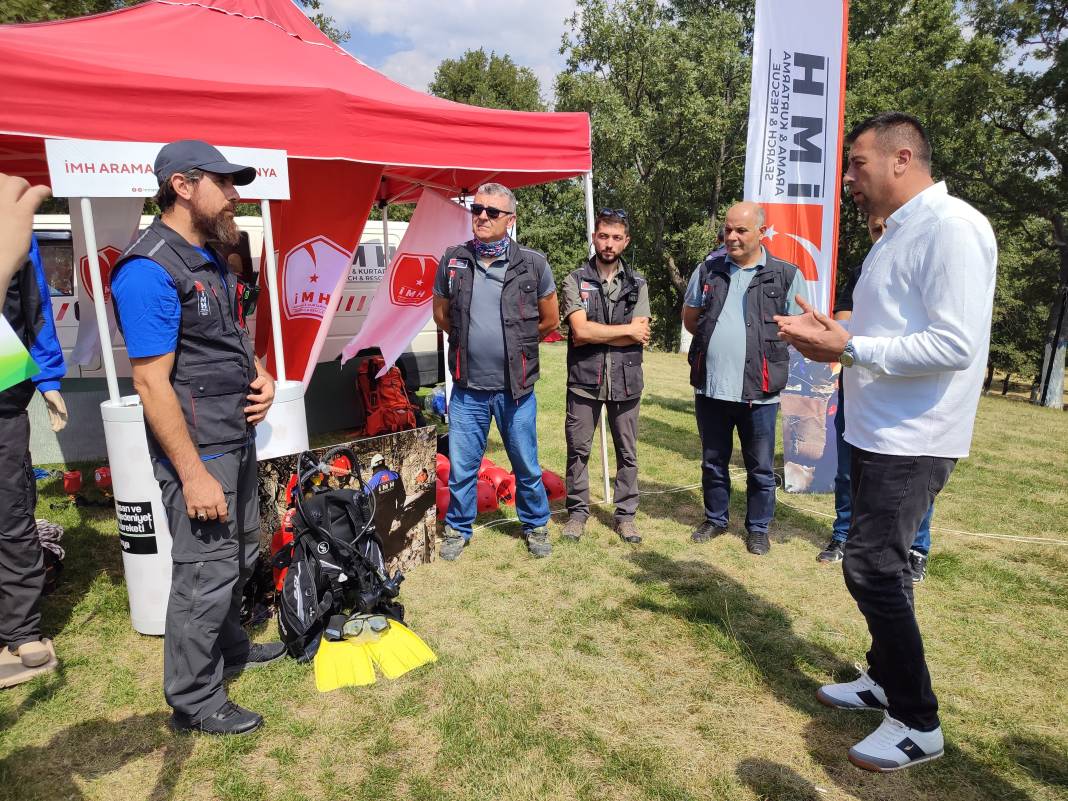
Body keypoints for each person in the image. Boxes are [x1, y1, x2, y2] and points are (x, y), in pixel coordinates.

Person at [776, 112, 996, 771]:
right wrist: (835, 326)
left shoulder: (951, 227)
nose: (848, 178)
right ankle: (883, 679)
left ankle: (916, 721)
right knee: (884, 566)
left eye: (857, 164)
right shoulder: (898, 232)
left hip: (915, 435)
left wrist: (850, 345)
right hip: (878, 429)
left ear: (902, 159)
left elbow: (955, 344)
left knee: (871, 565)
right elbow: (894, 324)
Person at [110, 140, 281, 736]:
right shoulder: (149, 269)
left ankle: (230, 651)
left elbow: (226, 338)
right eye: (224, 183)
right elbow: (152, 383)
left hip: (234, 435)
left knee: (237, 553)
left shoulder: (206, 256)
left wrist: (260, 373)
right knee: (203, 571)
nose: (235, 195)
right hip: (200, 449)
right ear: (182, 185)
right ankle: (195, 697)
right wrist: (192, 472)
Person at [432, 183, 559, 560]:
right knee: (462, 466)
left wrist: (515, 343)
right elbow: (441, 314)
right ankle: (458, 528)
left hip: (515, 389)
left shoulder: (533, 263)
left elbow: (550, 319)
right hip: (468, 387)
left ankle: (536, 525)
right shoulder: (454, 260)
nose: (482, 216)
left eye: (492, 211)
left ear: (511, 219)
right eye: (477, 209)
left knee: (525, 462)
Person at [682, 201, 808, 555]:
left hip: (760, 391)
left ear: (762, 233)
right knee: (712, 461)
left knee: (761, 468)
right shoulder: (708, 270)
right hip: (711, 388)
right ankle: (716, 519)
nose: (732, 237)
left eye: (741, 230)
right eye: (728, 229)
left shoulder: (785, 274)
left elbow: (799, 326)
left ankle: (757, 529)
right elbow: (691, 317)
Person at [818, 215, 935, 582]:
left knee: (914, 475)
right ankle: (843, 536)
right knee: (847, 469)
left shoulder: (920, 271)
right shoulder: (861, 271)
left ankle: (916, 549)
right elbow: (842, 325)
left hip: (905, 393)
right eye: (874, 230)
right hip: (856, 386)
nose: (881, 236)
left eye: (888, 229)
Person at [559, 209, 650, 544]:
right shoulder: (574, 279)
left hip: (626, 381)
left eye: (616, 237)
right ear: (594, 237)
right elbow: (580, 332)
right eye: (603, 236)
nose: (608, 243)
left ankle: (625, 516)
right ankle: (578, 513)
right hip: (585, 380)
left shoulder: (637, 283)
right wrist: (625, 330)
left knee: (628, 453)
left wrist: (604, 332)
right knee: (578, 450)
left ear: (625, 241)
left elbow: (641, 334)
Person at [1, 227, 67, 681]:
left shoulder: (13, 224)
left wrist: (48, 381)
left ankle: (21, 629)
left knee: (11, 513)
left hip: (4, 390)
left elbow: (37, 305)